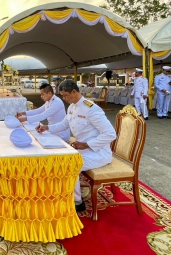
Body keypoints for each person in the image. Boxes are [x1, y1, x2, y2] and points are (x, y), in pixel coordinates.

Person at [37, 80, 116, 212]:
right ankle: (64, 192)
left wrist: (86, 144)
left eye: (66, 95)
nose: (64, 98)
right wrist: (46, 127)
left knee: (69, 164)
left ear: (74, 92)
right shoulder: (72, 107)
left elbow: (110, 134)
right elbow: (64, 125)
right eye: (62, 95)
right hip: (83, 150)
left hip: (98, 152)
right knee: (59, 158)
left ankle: (77, 202)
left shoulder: (91, 109)